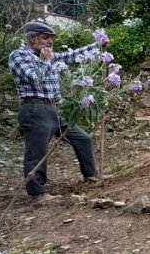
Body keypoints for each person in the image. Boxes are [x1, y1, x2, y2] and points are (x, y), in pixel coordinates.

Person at [9, 21, 102, 199]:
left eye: (51, 38)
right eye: (45, 37)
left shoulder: (48, 55)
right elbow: (35, 78)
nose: (50, 41)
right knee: (37, 151)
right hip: (35, 108)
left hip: (56, 108)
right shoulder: (18, 56)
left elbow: (71, 56)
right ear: (32, 38)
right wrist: (44, 60)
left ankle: (90, 174)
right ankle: (37, 193)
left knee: (82, 138)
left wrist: (97, 45)